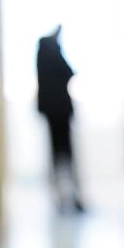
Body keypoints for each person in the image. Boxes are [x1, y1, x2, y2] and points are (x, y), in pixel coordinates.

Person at [37, 25, 84, 213]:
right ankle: (68, 198)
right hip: (60, 114)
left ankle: (65, 198)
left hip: (54, 114)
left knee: (58, 157)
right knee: (64, 157)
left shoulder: (43, 53)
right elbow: (68, 72)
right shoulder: (52, 52)